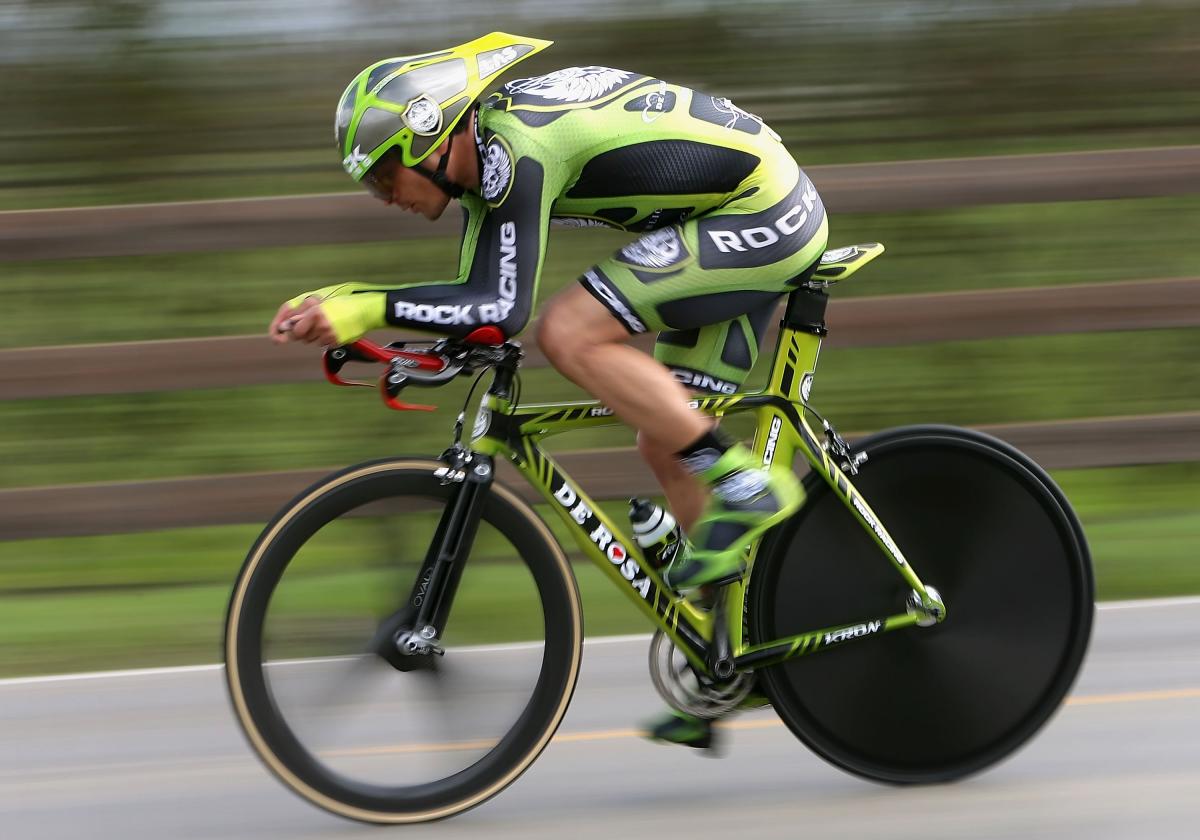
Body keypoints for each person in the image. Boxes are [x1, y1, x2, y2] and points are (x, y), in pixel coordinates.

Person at [270, 32, 829, 749]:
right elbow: (480, 309)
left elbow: (503, 311)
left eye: (383, 180)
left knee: (569, 333)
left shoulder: (514, 149)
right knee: (667, 438)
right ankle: (729, 661)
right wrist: (395, 336)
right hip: (722, 218)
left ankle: (750, 485)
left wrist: (365, 306)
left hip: (760, 212)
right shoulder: (485, 174)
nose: (385, 200)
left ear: (427, 141)